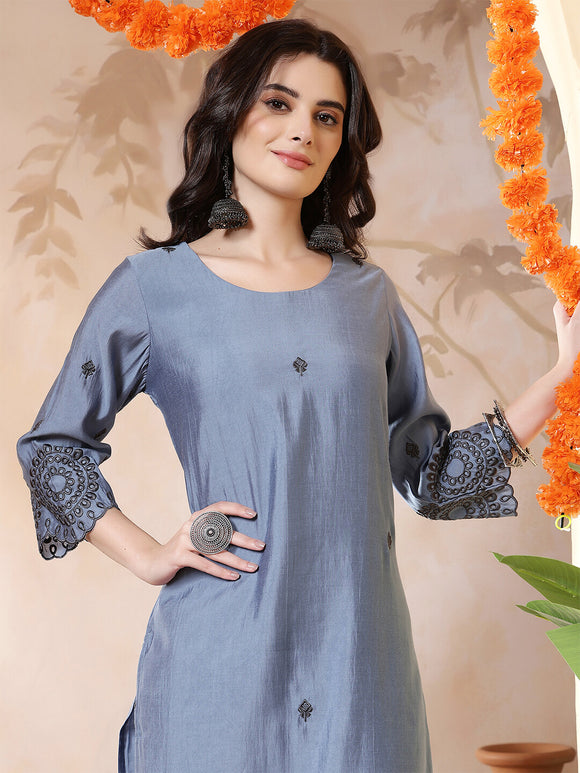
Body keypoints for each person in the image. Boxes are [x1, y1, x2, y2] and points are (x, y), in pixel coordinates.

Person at [16, 17, 580, 773]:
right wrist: (149, 555)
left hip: (362, 674)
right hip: (220, 668)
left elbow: (433, 476)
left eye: (327, 116)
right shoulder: (154, 290)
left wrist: (560, 380)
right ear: (232, 112)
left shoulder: (366, 297)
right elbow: (54, 449)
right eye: (279, 104)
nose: (302, 131)